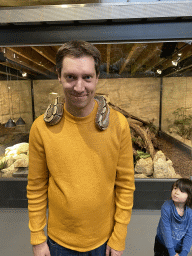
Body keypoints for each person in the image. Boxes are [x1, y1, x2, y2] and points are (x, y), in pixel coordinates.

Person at [27, 40, 135, 256]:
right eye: (70, 77)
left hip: (104, 242)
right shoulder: (41, 128)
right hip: (58, 243)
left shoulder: (119, 124)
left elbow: (125, 184)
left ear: (97, 77)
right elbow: (36, 187)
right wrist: (38, 239)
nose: (79, 87)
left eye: (87, 77)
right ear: (59, 75)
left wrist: (119, 235)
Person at [154, 178, 192, 256]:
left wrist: (184, 252)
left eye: (182, 191)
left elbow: (189, 233)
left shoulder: (190, 212)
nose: (176, 192)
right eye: (175, 188)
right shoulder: (166, 207)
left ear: (189, 196)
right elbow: (166, 230)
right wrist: (171, 252)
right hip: (163, 244)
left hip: (179, 245)